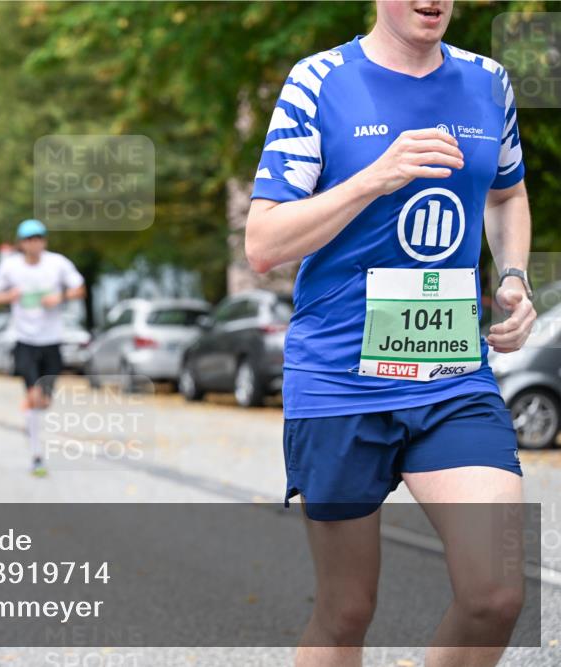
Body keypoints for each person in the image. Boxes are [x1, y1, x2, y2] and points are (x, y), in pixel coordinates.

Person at [245, 2, 535, 665]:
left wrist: (514, 277)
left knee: (494, 595)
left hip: (452, 377)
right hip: (340, 378)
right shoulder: (319, 80)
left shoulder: (487, 81)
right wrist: (374, 178)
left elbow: (507, 193)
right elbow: (262, 244)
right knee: (345, 612)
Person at [0, 219, 85, 477]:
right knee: (33, 395)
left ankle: (30, 418)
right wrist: (9, 296)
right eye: (29, 239)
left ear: (44, 241)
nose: (34, 243)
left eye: (39, 238)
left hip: (51, 341)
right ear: (22, 244)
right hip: (24, 341)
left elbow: (80, 288)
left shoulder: (57, 263)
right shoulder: (10, 267)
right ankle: (36, 455)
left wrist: (60, 296)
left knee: (45, 401)